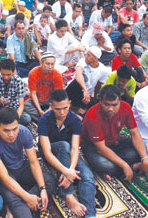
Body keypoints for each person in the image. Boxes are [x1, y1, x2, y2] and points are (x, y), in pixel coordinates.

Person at [0, 108, 58, 217]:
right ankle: (17, 202)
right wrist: (26, 197)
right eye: (6, 130)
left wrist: (42, 188)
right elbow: (5, 177)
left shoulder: (24, 132)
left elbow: (33, 162)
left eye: (14, 129)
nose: (11, 134)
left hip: (22, 166)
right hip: (4, 174)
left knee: (50, 181)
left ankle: (15, 203)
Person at [38, 89, 96, 218]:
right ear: (51, 106)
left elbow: (75, 148)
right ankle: (68, 195)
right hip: (51, 152)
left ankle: (90, 215)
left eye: (65, 108)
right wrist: (67, 171)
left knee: (87, 176)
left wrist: (70, 170)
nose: (62, 112)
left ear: (69, 104)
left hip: (68, 152)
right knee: (64, 145)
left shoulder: (75, 119)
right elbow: (46, 152)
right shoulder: (44, 120)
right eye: (57, 109)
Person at [81, 85, 148, 181]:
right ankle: (131, 167)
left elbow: (135, 133)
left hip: (115, 140)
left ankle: (118, 167)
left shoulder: (125, 107)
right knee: (106, 166)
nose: (110, 109)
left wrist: (144, 159)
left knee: (144, 148)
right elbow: (101, 149)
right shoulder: (92, 117)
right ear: (100, 101)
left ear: (119, 102)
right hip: (94, 146)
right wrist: (125, 165)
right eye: (106, 104)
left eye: (114, 105)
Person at [0, 59, 33, 129]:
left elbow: (21, 105)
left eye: (8, 75)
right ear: (0, 71)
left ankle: (2, 125)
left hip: (13, 108)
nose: (6, 77)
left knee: (26, 118)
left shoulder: (18, 81)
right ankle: (9, 125)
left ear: (13, 72)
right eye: (3, 74)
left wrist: (15, 118)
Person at [66, 47, 110, 114]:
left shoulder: (103, 70)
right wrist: (85, 90)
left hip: (86, 95)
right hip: (74, 89)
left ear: (95, 58)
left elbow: (98, 85)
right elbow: (78, 75)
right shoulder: (82, 61)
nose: (86, 56)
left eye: (88, 55)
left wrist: (95, 98)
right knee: (77, 83)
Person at [28, 53, 64, 120]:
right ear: (41, 63)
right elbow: (33, 94)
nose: (50, 67)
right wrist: (39, 110)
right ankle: (46, 118)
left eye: (52, 64)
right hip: (37, 100)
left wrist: (50, 109)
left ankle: (42, 118)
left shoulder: (57, 75)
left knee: (62, 105)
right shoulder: (33, 73)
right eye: (47, 64)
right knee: (25, 105)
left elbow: (57, 95)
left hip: (50, 100)